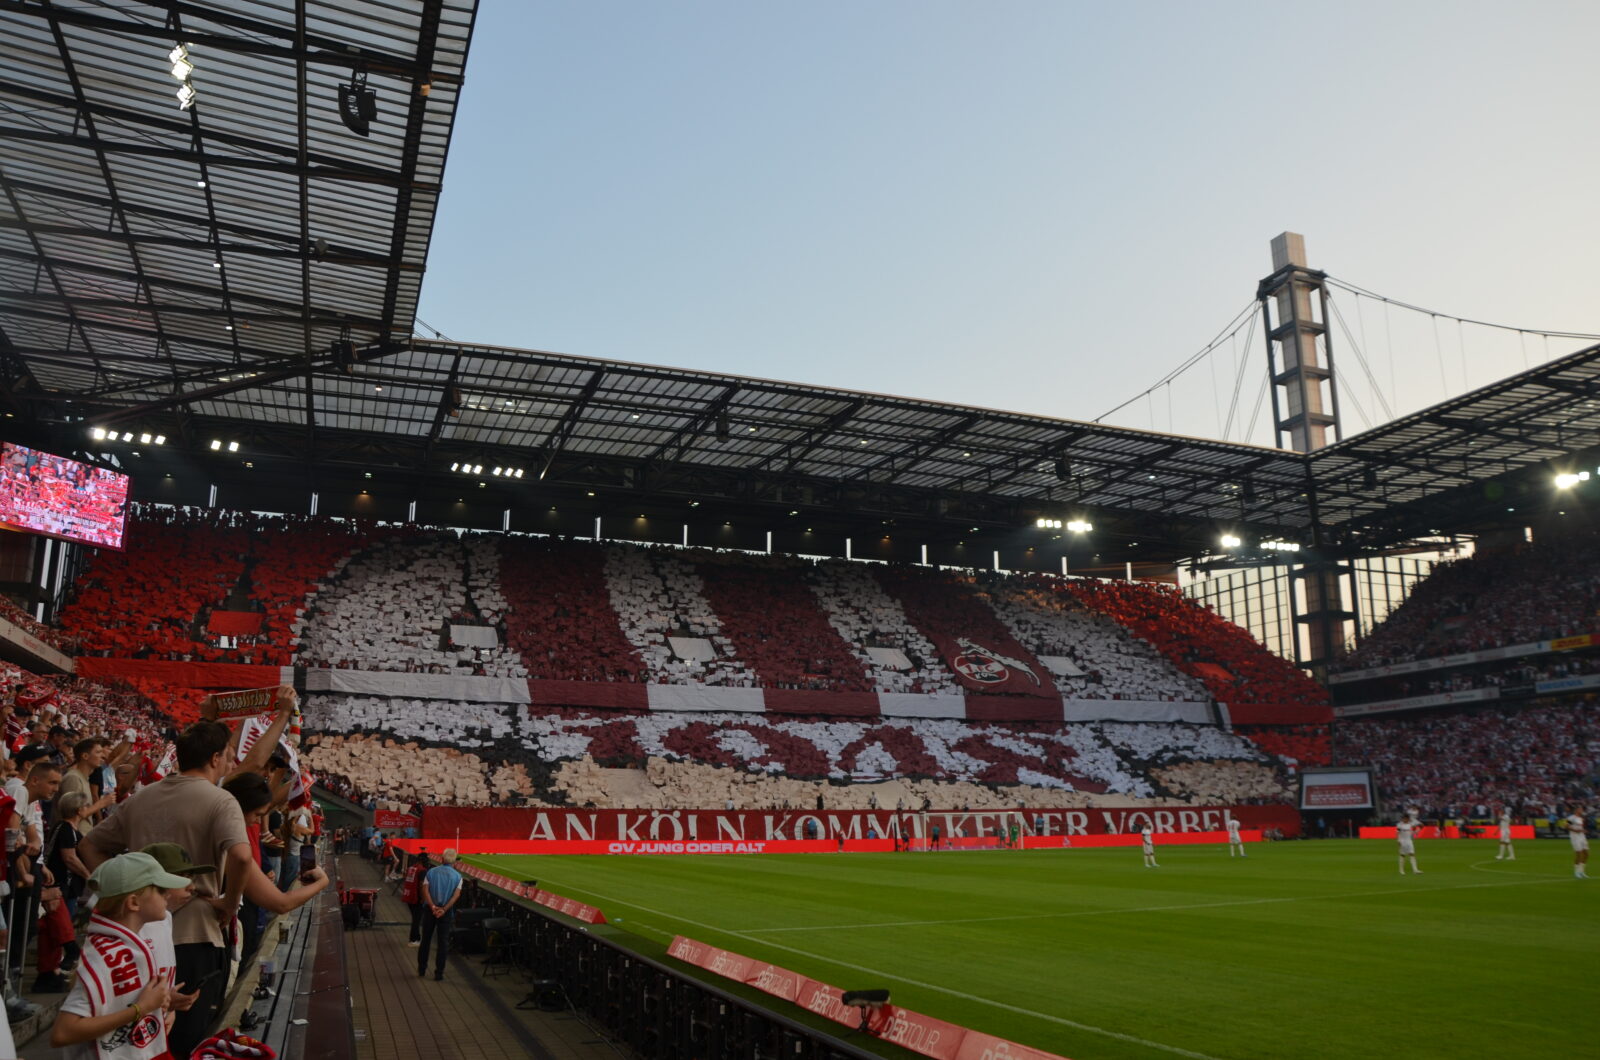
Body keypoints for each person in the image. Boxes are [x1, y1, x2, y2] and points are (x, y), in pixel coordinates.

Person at [48, 852, 193, 1060]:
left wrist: (162, 1002)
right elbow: (62, 1033)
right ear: (133, 902)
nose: (168, 895)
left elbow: (122, 1004)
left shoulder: (129, 946)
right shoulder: (105, 957)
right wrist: (141, 1009)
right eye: (161, 890)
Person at [417, 849, 463, 981]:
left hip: (430, 910)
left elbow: (425, 891)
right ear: (454, 861)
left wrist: (432, 906)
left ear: (442, 859)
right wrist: (444, 909)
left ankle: (422, 969)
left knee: (425, 940)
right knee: (443, 943)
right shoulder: (457, 876)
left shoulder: (431, 872)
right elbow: (455, 896)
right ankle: (439, 973)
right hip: (445, 912)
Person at [400, 849, 429, 947]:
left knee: (415, 918)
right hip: (416, 898)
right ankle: (414, 939)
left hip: (408, 896)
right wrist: (423, 898)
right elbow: (421, 886)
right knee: (416, 920)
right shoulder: (422, 870)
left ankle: (415, 938)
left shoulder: (411, 868)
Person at [1397, 809, 1423, 875]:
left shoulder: (1410, 824)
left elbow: (1420, 826)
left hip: (1409, 841)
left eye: (1405, 818)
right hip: (1402, 841)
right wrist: (1398, 840)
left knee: (1412, 854)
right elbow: (1398, 833)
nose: (1404, 819)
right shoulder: (1400, 825)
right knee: (1402, 855)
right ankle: (1401, 870)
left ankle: (1415, 870)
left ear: (1408, 819)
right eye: (1403, 818)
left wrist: (1417, 831)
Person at [1566, 805, 1589, 879]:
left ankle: (1582, 871)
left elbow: (1580, 827)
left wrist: (1583, 830)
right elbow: (1566, 826)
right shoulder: (1570, 818)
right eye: (1580, 809)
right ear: (1576, 810)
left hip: (1582, 836)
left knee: (1586, 853)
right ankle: (1576, 872)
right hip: (1575, 837)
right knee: (1578, 854)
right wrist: (1576, 830)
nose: (1582, 811)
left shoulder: (1581, 818)